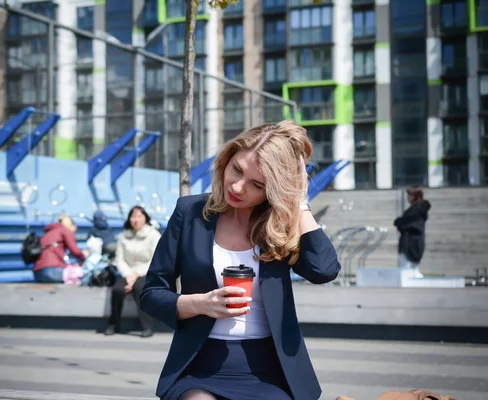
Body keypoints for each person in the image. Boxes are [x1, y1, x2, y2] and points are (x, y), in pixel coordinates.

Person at [140, 120, 341, 400]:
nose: (237, 186)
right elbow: (151, 293)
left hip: (272, 371)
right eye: (236, 169)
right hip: (200, 367)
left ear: (273, 189)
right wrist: (201, 303)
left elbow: (324, 270)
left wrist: (299, 202)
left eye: (256, 184)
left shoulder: (280, 224)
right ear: (227, 158)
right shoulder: (190, 212)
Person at [105, 206, 161, 338]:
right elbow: (120, 259)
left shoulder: (153, 235)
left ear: (145, 219)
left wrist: (137, 275)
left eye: (139, 217)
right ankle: (113, 324)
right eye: (133, 217)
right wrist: (128, 275)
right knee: (117, 290)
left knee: (140, 288)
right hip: (128, 272)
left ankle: (147, 326)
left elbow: (155, 259)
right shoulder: (123, 236)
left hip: (147, 271)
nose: (136, 220)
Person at [32, 215, 88, 283]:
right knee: (83, 278)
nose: (73, 234)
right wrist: (84, 258)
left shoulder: (49, 232)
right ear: (71, 225)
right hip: (52, 270)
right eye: (74, 231)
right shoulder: (65, 230)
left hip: (37, 272)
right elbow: (75, 251)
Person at [394, 185, 431, 278]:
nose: (408, 197)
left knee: (406, 272)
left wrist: (400, 222)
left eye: (410, 195)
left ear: (415, 196)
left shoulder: (416, 210)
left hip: (410, 245)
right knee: (410, 270)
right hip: (411, 244)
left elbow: (405, 224)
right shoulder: (416, 210)